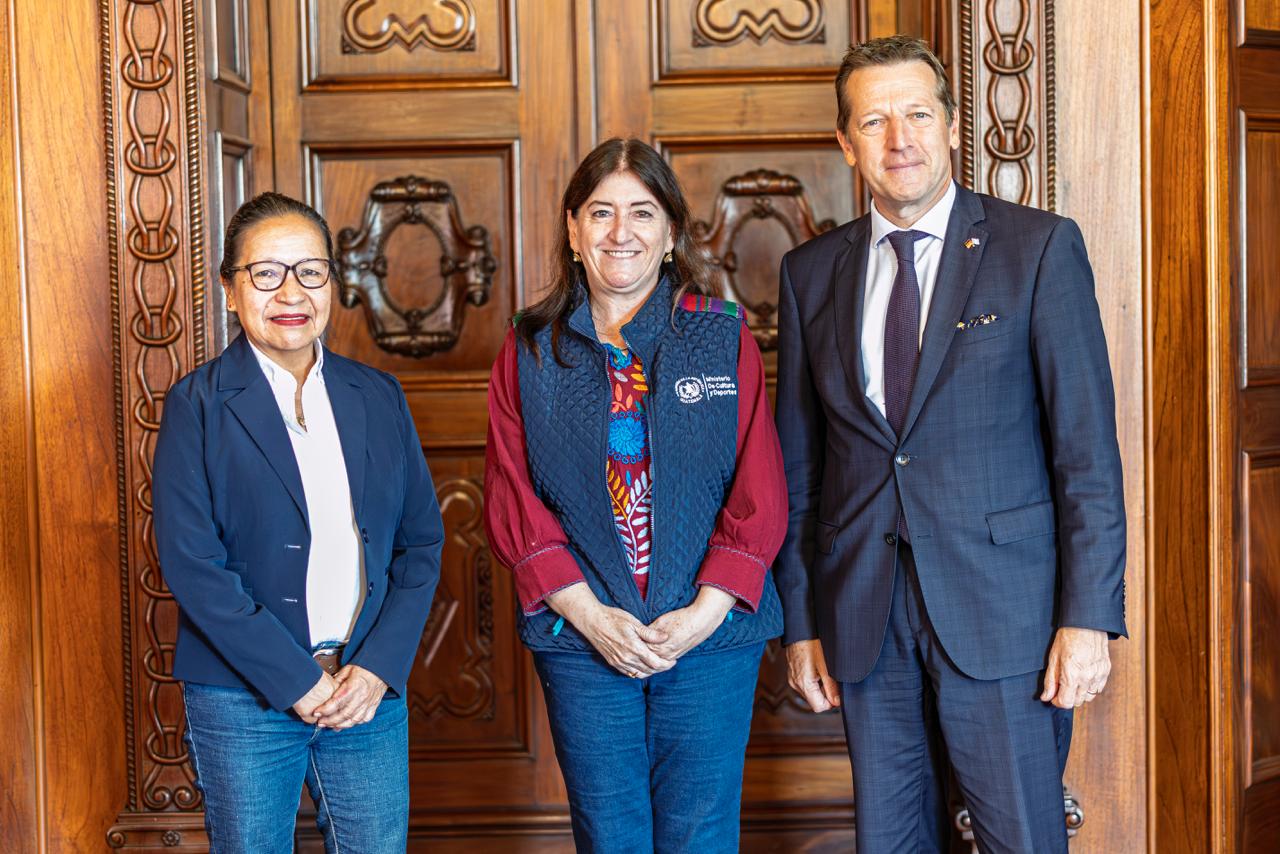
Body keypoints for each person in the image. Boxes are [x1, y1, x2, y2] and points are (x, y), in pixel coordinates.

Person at [774, 36, 1127, 853]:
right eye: (875, 121)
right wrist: (801, 624)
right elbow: (801, 470)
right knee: (891, 841)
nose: (900, 139)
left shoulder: (1037, 248)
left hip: (1005, 615)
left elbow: (1086, 454)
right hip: (863, 618)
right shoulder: (808, 273)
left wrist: (1088, 618)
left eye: (918, 114)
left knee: (1020, 840)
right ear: (846, 142)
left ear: (953, 124)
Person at [483, 138, 787, 853]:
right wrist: (590, 617)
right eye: (600, 212)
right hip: (582, 639)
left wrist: (703, 613)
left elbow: (760, 487)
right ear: (573, 230)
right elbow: (512, 494)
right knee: (609, 836)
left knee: (701, 837)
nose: (621, 232)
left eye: (643, 213)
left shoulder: (721, 338)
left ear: (672, 232)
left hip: (710, 638)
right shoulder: (529, 350)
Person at [153, 192, 445, 852]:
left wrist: (378, 668)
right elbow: (193, 566)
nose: (291, 292)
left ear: (333, 283)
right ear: (230, 289)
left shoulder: (378, 395)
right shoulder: (197, 404)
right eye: (266, 273)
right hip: (243, 698)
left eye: (310, 271)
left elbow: (421, 544)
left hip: (366, 691)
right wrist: (296, 680)